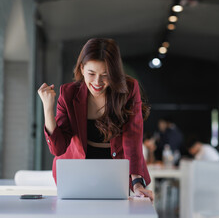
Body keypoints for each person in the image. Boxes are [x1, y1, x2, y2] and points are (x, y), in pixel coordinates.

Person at [38, 38, 153, 201]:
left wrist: (136, 183)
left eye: (105, 75)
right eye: (91, 74)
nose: (97, 82)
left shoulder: (128, 89)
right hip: (76, 175)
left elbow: (132, 139)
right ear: (82, 68)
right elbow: (58, 149)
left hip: (115, 172)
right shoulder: (68, 93)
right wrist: (48, 108)